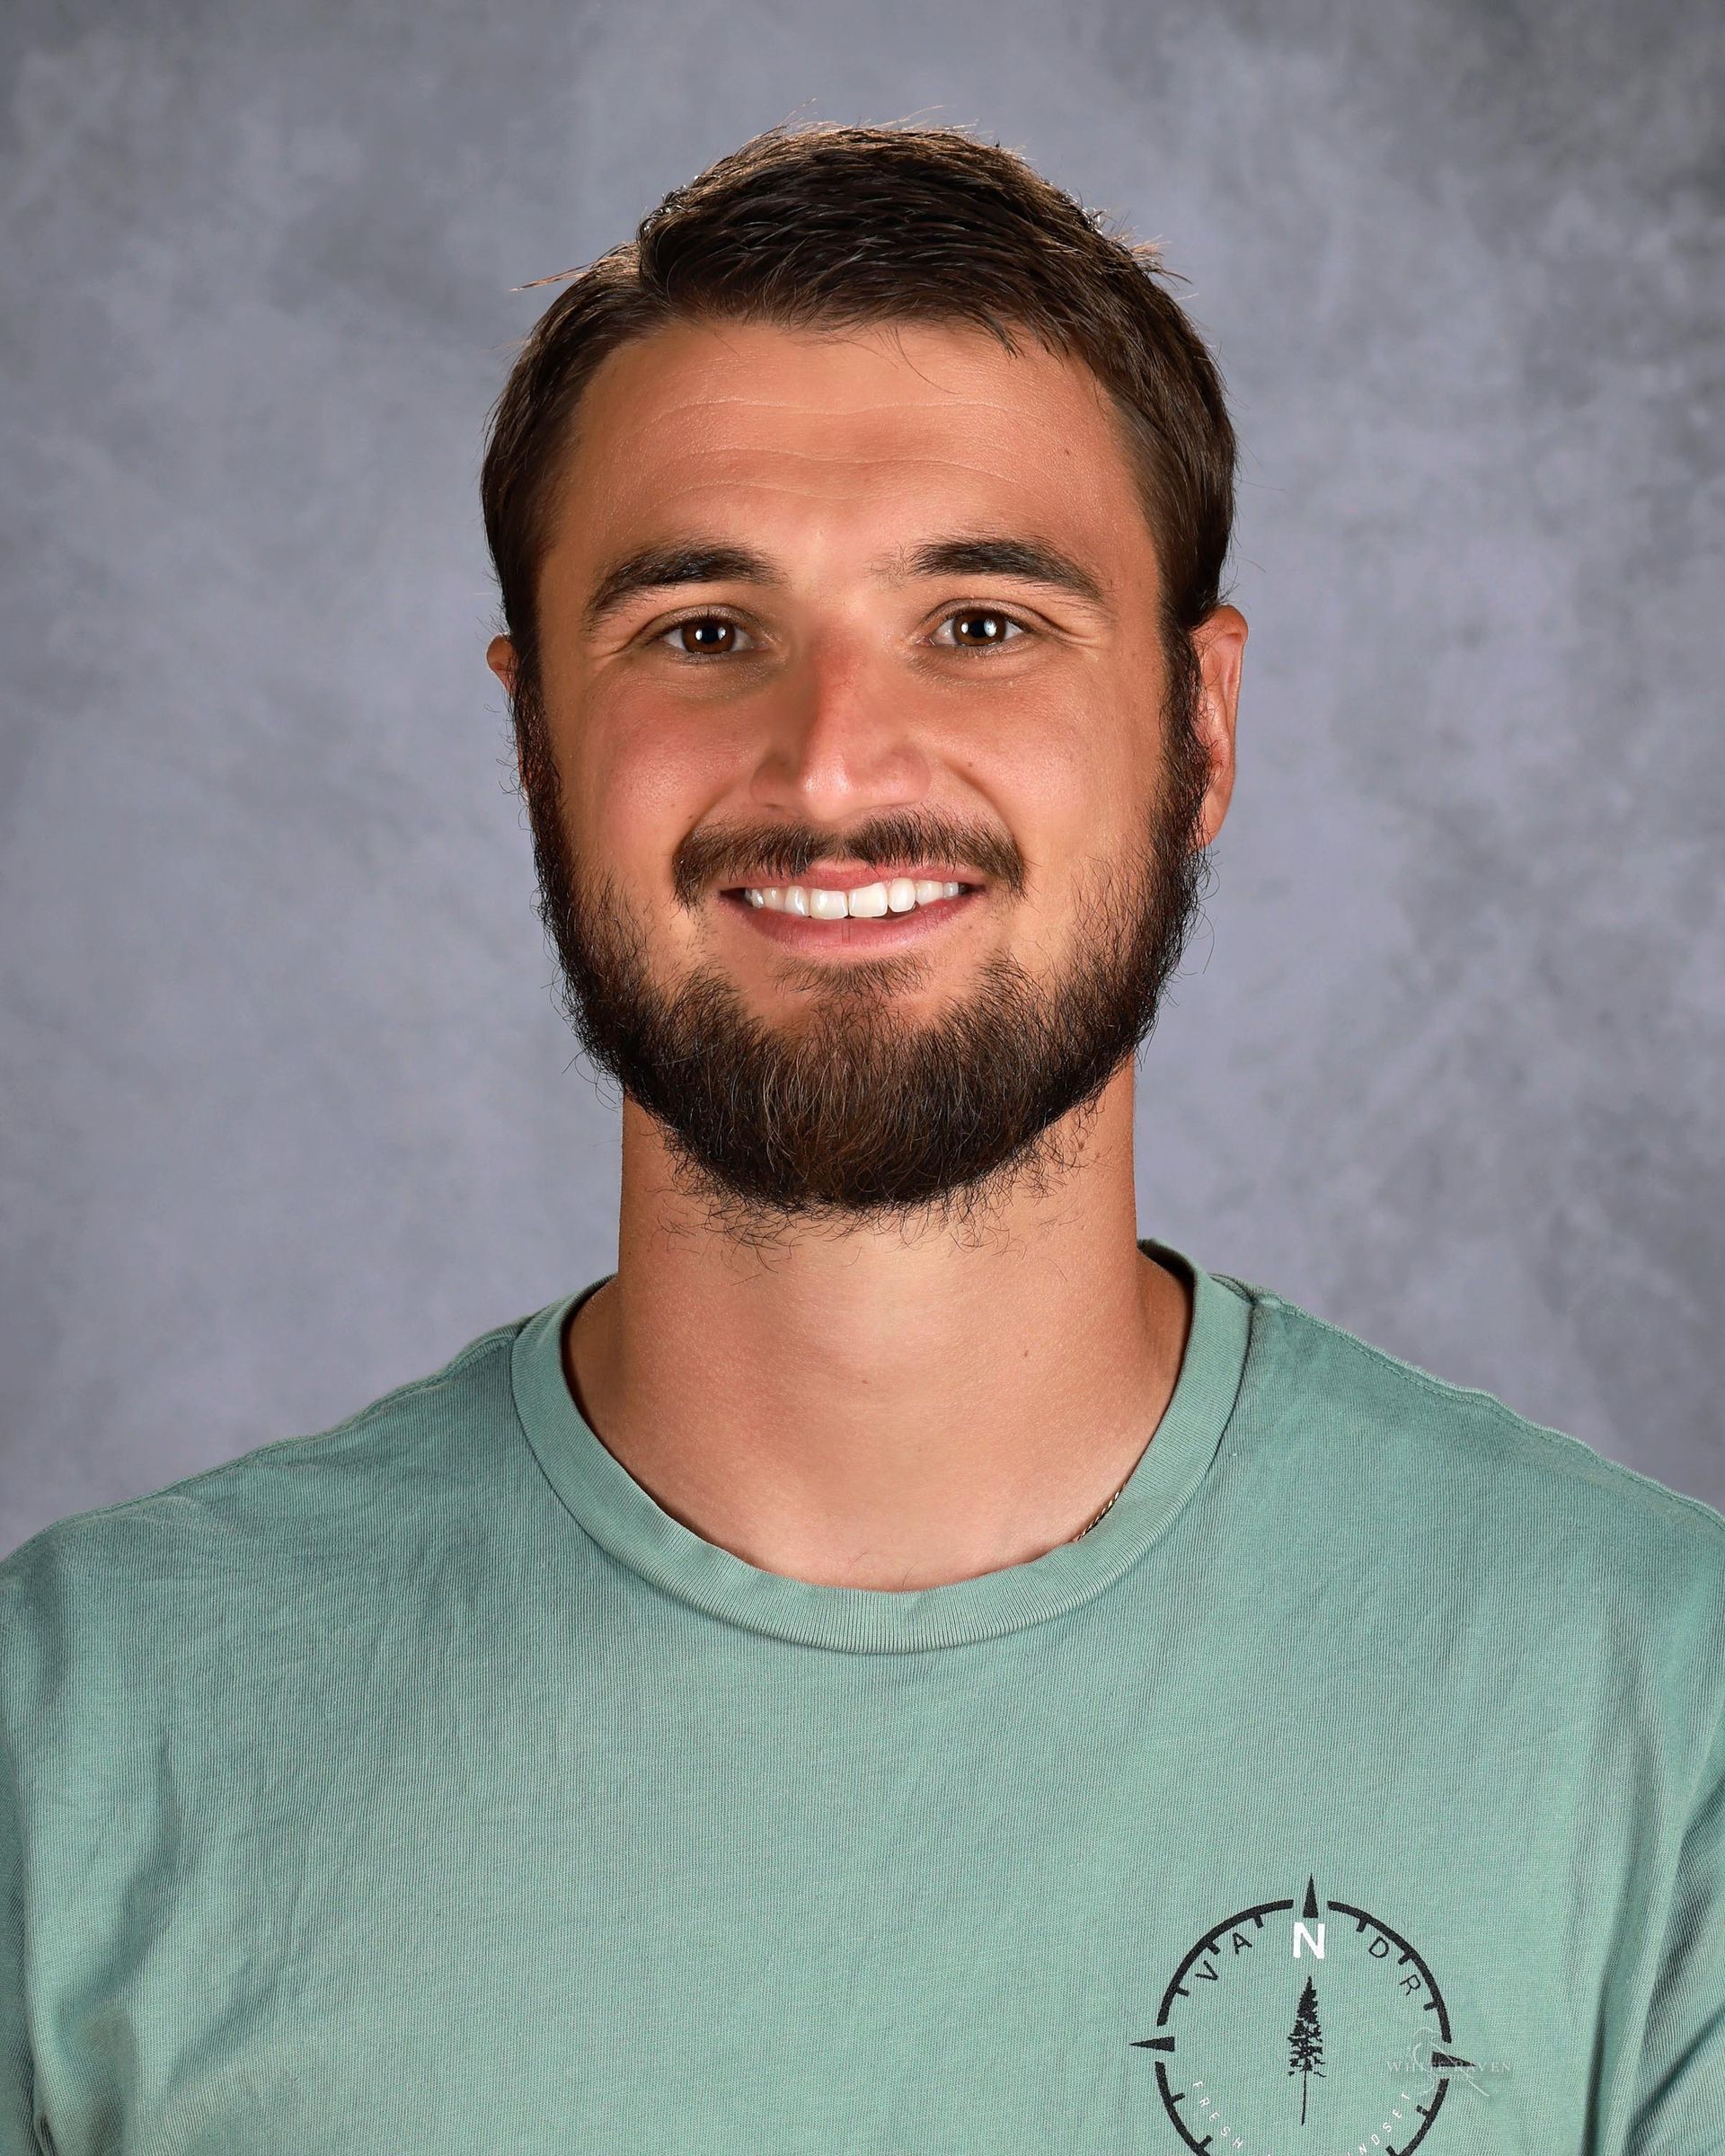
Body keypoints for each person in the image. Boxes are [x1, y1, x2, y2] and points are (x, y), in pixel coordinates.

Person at [2, 121, 1720, 2156]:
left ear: (1202, 735)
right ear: (534, 741)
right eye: (700, 630)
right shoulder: (79, 1739)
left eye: (982, 622)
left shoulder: (1659, 1719)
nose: (830, 765)